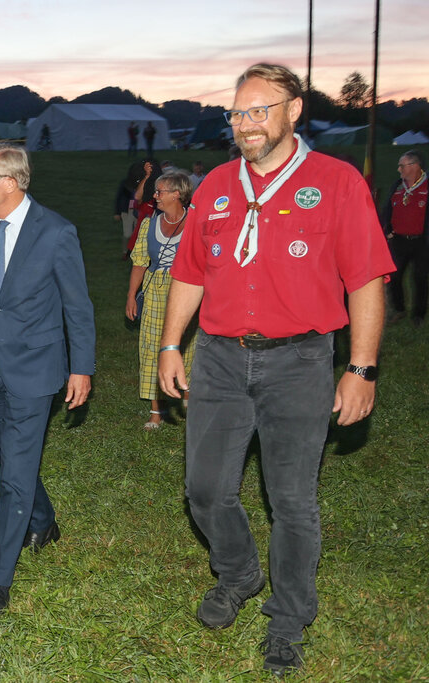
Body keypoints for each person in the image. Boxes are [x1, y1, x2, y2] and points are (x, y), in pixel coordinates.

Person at [156, 63, 394, 676]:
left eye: (259, 110)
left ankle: (288, 619)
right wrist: (170, 345)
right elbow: (190, 272)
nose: (246, 124)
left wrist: (361, 369)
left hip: (300, 361)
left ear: (294, 112)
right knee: (206, 490)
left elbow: (365, 279)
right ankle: (238, 574)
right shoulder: (213, 187)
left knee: (292, 501)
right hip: (219, 358)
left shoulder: (336, 182)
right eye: (237, 113)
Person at [0, 143, 96, 618]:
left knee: (12, 478)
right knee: (10, 459)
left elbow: (77, 307)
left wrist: (81, 367)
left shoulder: (56, 231)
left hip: (35, 370)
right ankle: (43, 519)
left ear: (9, 182)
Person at [125, 170, 195, 429]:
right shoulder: (149, 223)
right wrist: (132, 295)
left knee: (187, 348)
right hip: (154, 292)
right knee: (152, 349)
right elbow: (140, 262)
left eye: (159, 191)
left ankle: (190, 406)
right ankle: (156, 412)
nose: (155, 196)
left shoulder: (195, 223)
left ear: (177, 194)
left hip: (186, 290)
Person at [380, 150, 428, 326]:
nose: (399, 169)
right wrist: (387, 228)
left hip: (422, 242)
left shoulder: (426, 186)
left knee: (420, 278)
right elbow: (388, 209)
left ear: (415, 166)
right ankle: (399, 309)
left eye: (402, 165)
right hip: (399, 241)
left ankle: (419, 315)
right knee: (394, 277)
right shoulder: (398, 185)